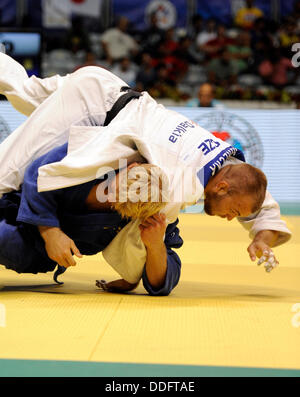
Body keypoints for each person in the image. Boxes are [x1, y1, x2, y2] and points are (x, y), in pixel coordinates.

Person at [0, 53, 292, 294]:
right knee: (6, 174)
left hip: (104, 87)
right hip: (91, 108)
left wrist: (262, 239)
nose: (232, 218)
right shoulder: (179, 182)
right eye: (235, 212)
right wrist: (129, 277)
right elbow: (141, 239)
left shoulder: (223, 157)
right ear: (223, 187)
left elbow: (256, 197)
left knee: (26, 91)